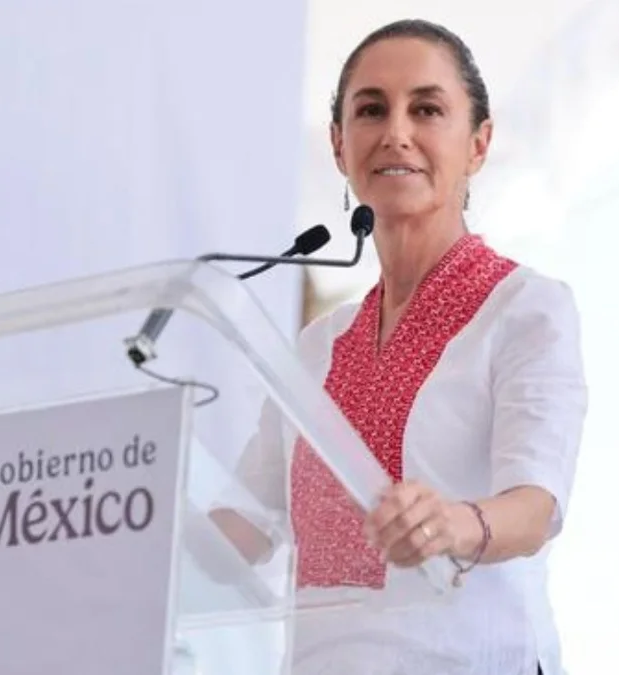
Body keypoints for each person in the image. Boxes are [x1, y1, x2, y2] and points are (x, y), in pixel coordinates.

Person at [207, 18, 588, 675]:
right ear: (339, 145)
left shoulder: (527, 308)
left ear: (479, 143)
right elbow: (242, 527)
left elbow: (535, 507)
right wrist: (126, 518)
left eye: (427, 109)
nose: (397, 133)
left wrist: (453, 522)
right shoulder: (315, 348)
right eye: (371, 110)